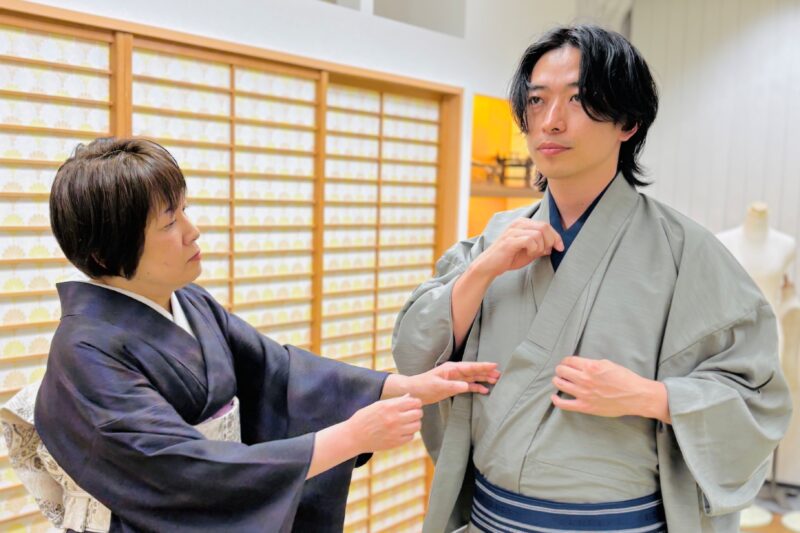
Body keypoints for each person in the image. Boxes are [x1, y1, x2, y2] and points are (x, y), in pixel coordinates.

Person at [393, 24, 792, 533]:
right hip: (492, 519)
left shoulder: (686, 253)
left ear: (628, 122)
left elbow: (760, 399)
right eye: (536, 101)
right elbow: (413, 357)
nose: (551, 121)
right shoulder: (493, 241)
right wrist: (483, 269)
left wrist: (651, 397)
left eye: (578, 100)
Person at [34, 137, 500, 533]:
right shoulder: (85, 353)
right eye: (170, 222)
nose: (194, 231)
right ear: (105, 254)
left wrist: (404, 386)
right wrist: (349, 437)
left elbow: (278, 371)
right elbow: (179, 470)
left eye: (185, 211)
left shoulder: (190, 301)